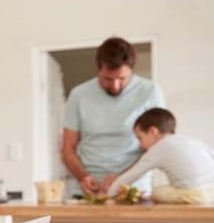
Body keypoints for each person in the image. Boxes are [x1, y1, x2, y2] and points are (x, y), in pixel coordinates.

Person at [61, 37, 165, 198]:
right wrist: (83, 176)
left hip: (133, 189)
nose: (115, 86)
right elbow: (68, 148)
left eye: (122, 79)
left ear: (131, 70)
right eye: (107, 79)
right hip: (88, 191)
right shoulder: (79, 94)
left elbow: (157, 146)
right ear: (98, 70)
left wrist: (123, 178)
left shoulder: (150, 91)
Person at [107, 108, 214, 203]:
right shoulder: (189, 140)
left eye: (140, 138)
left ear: (153, 132)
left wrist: (108, 196)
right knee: (166, 189)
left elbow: (130, 176)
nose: (140, 145)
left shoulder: (158, 148)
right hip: (211, 191)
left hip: (193, 195)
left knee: (155, 192)